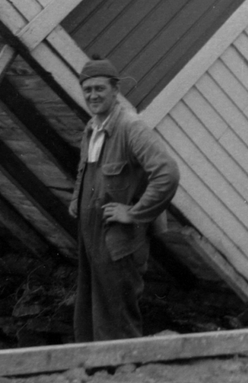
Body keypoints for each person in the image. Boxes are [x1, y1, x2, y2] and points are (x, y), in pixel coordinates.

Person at [70, 57, 180, 343]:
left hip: (117, 236)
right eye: (87, 90)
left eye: (99, 89)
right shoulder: (91, 129)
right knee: (91, 303)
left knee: (117, 306)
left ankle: (125, 370)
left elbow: (167, 172)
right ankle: (95, 368)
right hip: (89, 233)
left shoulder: (131, 127)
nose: (93, 95)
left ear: (115, 90)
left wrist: (134, 213)